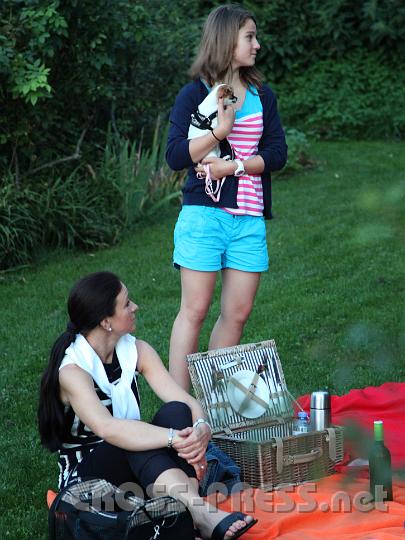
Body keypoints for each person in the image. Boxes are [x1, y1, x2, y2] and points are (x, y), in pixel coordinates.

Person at [38, 271, 257, 540]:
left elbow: (185, 401)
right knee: (132, 439)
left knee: (177, 411)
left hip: (132, 467)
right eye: (126, 304)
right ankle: (200, 513)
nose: (135, 307)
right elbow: (108, 428)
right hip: (88, 480)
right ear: (106, 322)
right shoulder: (73, 371)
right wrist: (173, 438)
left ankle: (187, 513)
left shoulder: (136, 350)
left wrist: (200, 429)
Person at [166, 4, 288, 391]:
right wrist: (220, 132)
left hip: (249, 218)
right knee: (195, 310)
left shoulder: (262, 95)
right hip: (204, 215)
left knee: (237, 313)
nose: (257, 44)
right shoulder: (195, 94)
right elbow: (175, 155)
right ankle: (179, 409)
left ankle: (214, 404)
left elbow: (277, 154)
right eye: (249, 37)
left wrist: (233, 167)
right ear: (226, 40)